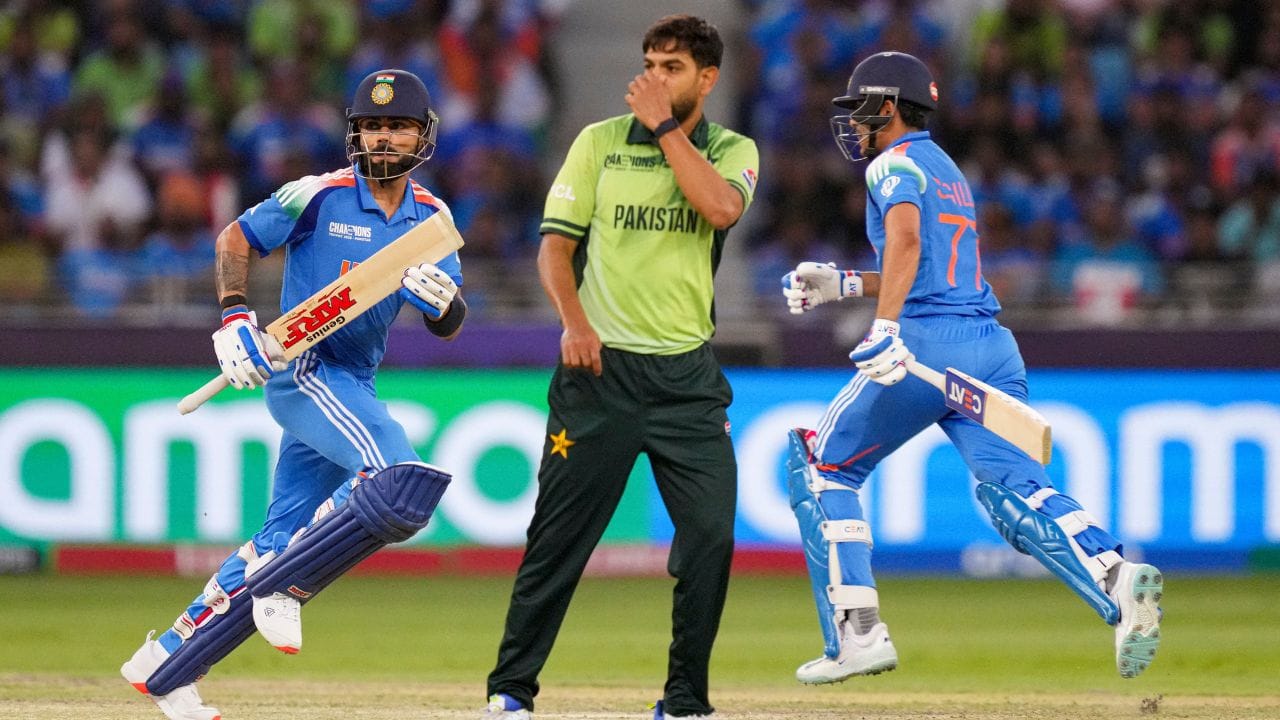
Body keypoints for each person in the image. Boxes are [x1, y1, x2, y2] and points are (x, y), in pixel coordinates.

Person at [779, 51, 1164, 684]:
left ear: (888, 105)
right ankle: (1116, 577)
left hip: (924, 343)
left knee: (822, 468)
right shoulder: (946, 167)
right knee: (1014, 488)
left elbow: (907, 245)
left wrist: (884, 327)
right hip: (989, 344)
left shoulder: (890, 164)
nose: (853, 124)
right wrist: (846, 284)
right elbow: (932, 267)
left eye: (860, 109)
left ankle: (857, 633)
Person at [119, 68, 465, 720]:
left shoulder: (432, 219)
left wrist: (445, 305)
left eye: (398, 126)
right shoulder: (316, 195)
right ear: (354, 134)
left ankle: (165, 664)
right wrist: (234, 318)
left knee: (276, 538)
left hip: (354, 381)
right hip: (302, 367)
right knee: (397, 479)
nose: (384, 138)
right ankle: (287, 587)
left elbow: (449, 324)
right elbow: (235, 239)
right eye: (372, 126)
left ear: (423, 136)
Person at [483, 15, 759, 720]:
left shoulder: (733, 150)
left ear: (708, 79)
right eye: (650, 64)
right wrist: (574, 322)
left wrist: (665, 128)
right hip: (600, 377)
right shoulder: (598, 142)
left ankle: (685, 700)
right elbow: (554, 248)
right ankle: (510, 692)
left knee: (711, 540)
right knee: (557, 542)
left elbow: (719, 208)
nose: (654, 78)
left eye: (673, 67)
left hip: (687, 383)